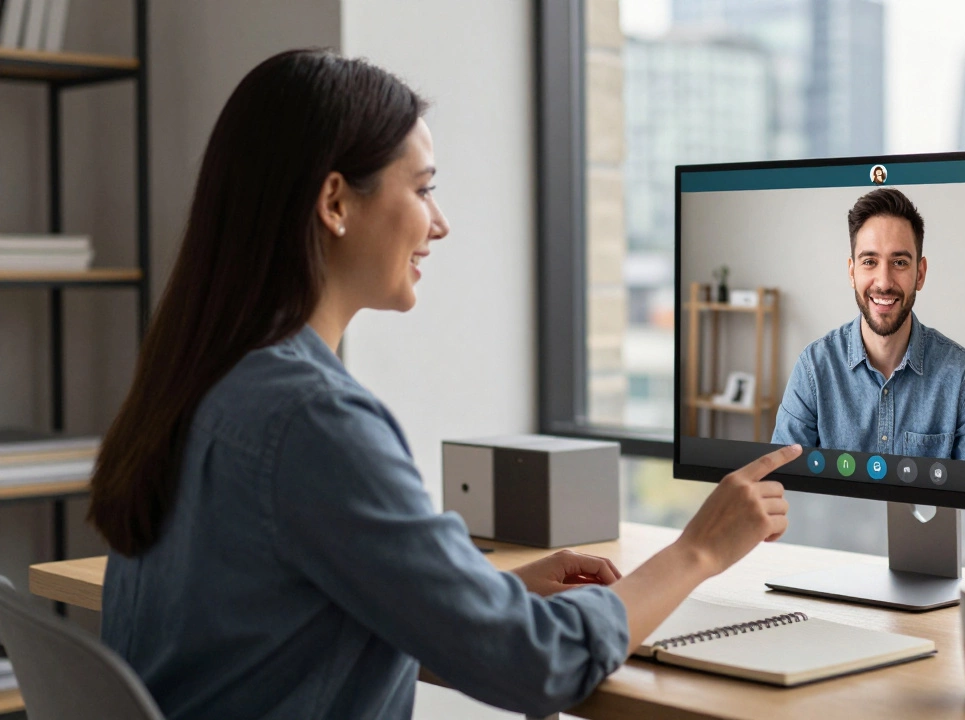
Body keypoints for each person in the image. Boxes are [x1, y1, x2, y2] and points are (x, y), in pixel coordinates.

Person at [87, 49, 801, 720]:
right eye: (424, 189)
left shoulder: (205, 377)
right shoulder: (312, 418)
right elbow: (539, 665)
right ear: (335, 202)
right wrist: (697, 552)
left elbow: (286, 608)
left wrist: (484, 595)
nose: (441, 223)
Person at [771, 187, 965, 463]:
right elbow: (780, 480)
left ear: (920, 274)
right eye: (870, 261)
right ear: (852, 272)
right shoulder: (813, 369)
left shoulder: (962, 375)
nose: (883, 282)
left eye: (899, 262)